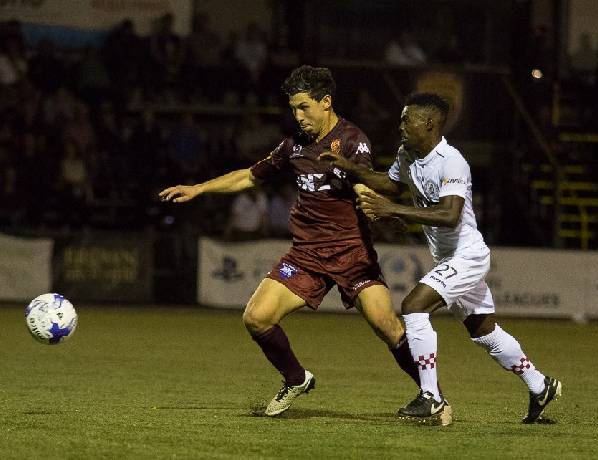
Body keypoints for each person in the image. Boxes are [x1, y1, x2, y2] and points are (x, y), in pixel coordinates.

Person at [159, 65, 423, 418]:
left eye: (303, 107)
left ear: (325, 102)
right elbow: (249, 177)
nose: (297, 116)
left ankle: (431, 394)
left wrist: (374, 204)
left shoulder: (352, 139)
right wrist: (199, 188)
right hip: (306, 256)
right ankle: (296, 379)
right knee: (256, 317)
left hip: (351, 252)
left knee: (387, 326)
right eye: (293, 108)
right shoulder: (292, 146)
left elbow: (362, 179)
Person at [320, 92, 562, 424]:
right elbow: (390, 185)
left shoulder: (452, 161)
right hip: (448, 257)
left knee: (413, 306)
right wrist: (349, 168)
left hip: (467, 255)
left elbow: (450, 214)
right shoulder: (408, 154)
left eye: (408, 119)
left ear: (430, 123)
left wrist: (392, 211)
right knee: (484, 332)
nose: (401, 125)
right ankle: (540, 384)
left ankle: (430, 396)